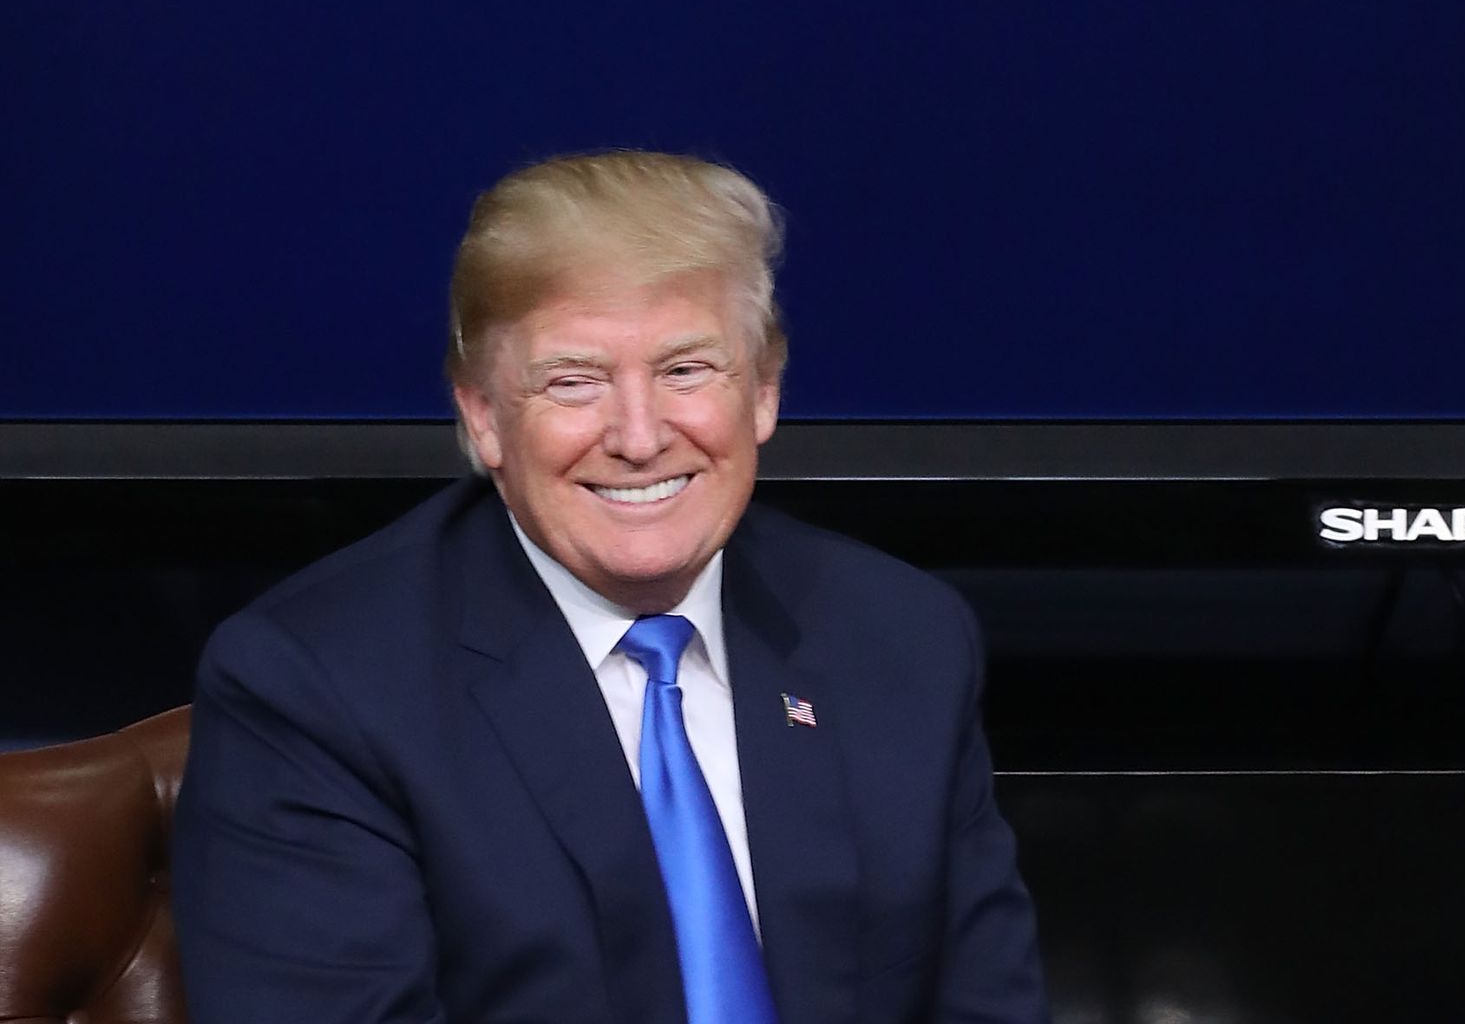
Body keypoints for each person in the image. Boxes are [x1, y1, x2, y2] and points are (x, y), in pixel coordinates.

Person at [172, 151, 1049, 1024]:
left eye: (685, 370)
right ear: (483, 416)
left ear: (763, 393)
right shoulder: (317, 684)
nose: (638, 437)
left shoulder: (902, 637)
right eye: (574, 382)